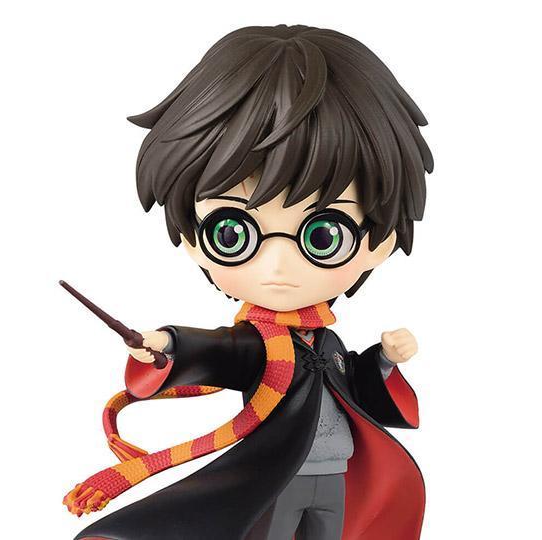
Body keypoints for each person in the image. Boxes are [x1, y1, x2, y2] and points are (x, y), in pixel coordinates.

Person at [67, 24, 433, 540]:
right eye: (233, 233)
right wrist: (167, 345)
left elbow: (355, 384)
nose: (278, 266)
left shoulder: (326, 343)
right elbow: (218, 351)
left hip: (337, 474)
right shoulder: (257, 346)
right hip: (275, 475)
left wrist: (386, 361)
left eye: (323, 235)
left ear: (379, 242)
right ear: (193, 239)